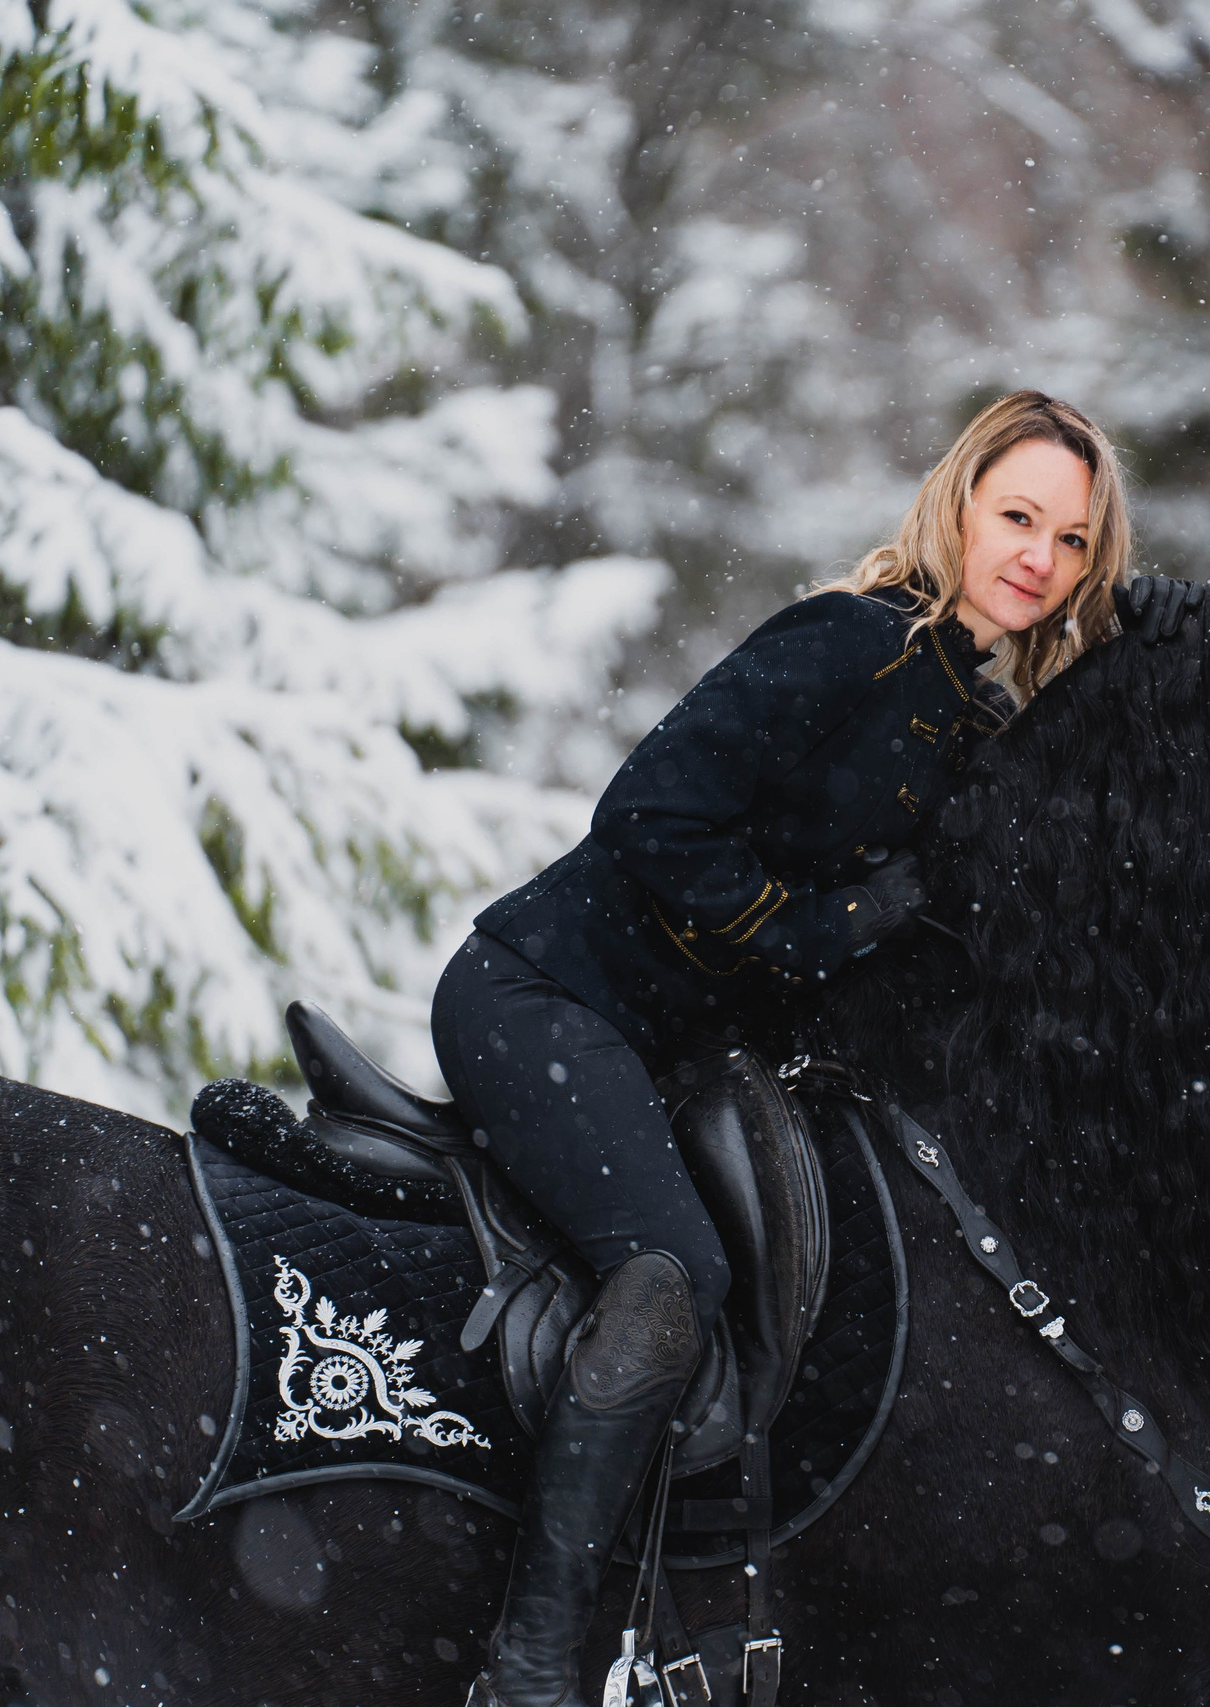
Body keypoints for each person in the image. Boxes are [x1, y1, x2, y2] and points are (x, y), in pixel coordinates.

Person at [435, 391, 1153, 1707]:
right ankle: (530, 1665)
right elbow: (649, 813)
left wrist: (1144, 671)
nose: (1037, 557)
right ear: (957, 506)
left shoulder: (970, 719)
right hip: (543, 997)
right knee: (670, 1274)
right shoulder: (851, 644)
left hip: (672, 1054)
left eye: (1071, 541)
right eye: (1017, 517)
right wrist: (820, 925)